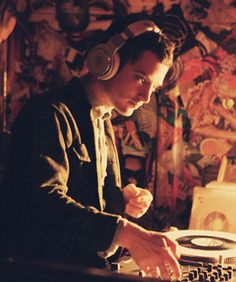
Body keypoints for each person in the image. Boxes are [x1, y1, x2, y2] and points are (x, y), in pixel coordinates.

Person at [0, 14, 181, 281]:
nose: (145, 98)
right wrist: (125, 232)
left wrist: (120, 198)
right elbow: (40, 202)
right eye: (141, 78)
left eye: (152, 88)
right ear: (107, 61)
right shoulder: (48, 114)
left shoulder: (103, 120)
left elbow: (82, 198)